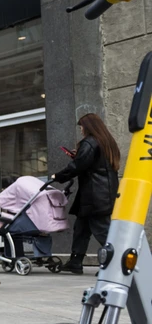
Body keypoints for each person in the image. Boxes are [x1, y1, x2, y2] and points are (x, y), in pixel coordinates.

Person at [52, 113, 120, 274]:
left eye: (81, 126)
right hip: (102, 193)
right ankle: (75, 261)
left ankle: (116, 264)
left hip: (94, 195)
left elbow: (78, 166)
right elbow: (90, 163)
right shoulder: (106, 142)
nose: (81, 130)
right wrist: (79, 156)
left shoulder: (90, 142)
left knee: (102, 230)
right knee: (81, 228)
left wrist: (59, 176)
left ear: (88, 127)